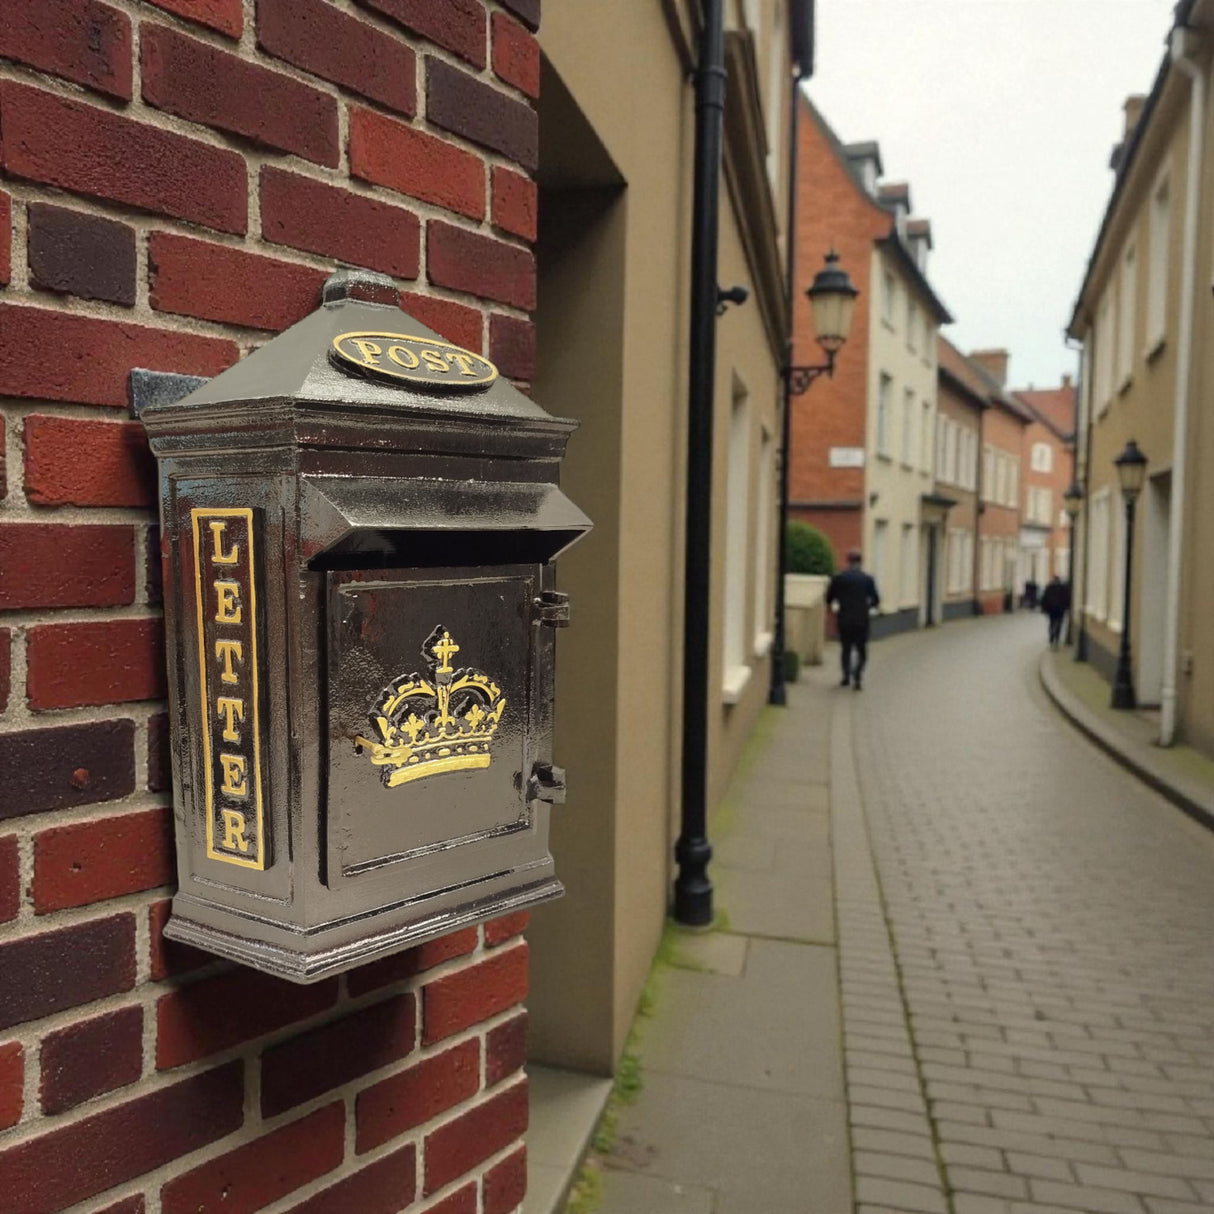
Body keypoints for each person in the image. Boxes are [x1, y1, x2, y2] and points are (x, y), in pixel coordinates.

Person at [826, 548, 880, 690]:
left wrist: (836, 605)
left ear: (848, 561)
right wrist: (867, 606)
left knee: (846, 648)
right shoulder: (867, 579)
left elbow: (829, 598)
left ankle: (845, 675)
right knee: (862, 650)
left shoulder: (838, 578)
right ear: (861, 562)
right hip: (862, 619)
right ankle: (857, 675)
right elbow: (876, 600)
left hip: (844, 618)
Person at [1040, 575, 1071, 649]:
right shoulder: (1063, 588)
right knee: (1059, 624)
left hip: (1051, 609)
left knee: (1051, 622)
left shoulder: (1049, 587)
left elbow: (1044, 598)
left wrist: (1044, 608)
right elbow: (1067, 598)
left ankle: (1051, 636)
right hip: (1060, 609)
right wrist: (1066, 607)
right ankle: (1056, 639)